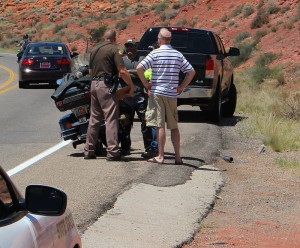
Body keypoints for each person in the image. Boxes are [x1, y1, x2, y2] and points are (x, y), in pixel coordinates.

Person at [136, 28, 196, 164]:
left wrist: (146, 83)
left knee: (160, 124)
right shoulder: (177, 55)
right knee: (174, 126)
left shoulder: (155, 53)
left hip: (157, 92)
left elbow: (140, 68)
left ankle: (161, 156)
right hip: (172, 93)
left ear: (159, 39)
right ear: (170, 40)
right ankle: (178, 157)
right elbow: (191, 71)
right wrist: (181, 87)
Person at [84, 29, 134, 161]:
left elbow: (90, 71)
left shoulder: (94, 50)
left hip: (94, 85)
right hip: (106, 87)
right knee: (111, 119)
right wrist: (131, 85)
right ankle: (113, 151)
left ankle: (89, 150)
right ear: (114, 38)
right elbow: (122, 70)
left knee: (94, 119)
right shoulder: (114, 50)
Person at [118, 39, 158, 158]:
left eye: (132, 46)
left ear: (136, 47)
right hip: (126, 98)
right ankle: (125, 148)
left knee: (146, 124)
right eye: (127, 46)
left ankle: (149, 148)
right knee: (124, 124)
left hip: (140, 97)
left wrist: (129, 72)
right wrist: (136, 74)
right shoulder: (122, 60)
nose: (129, 48)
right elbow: (120, 73)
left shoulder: (142, 59)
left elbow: (146, 73)